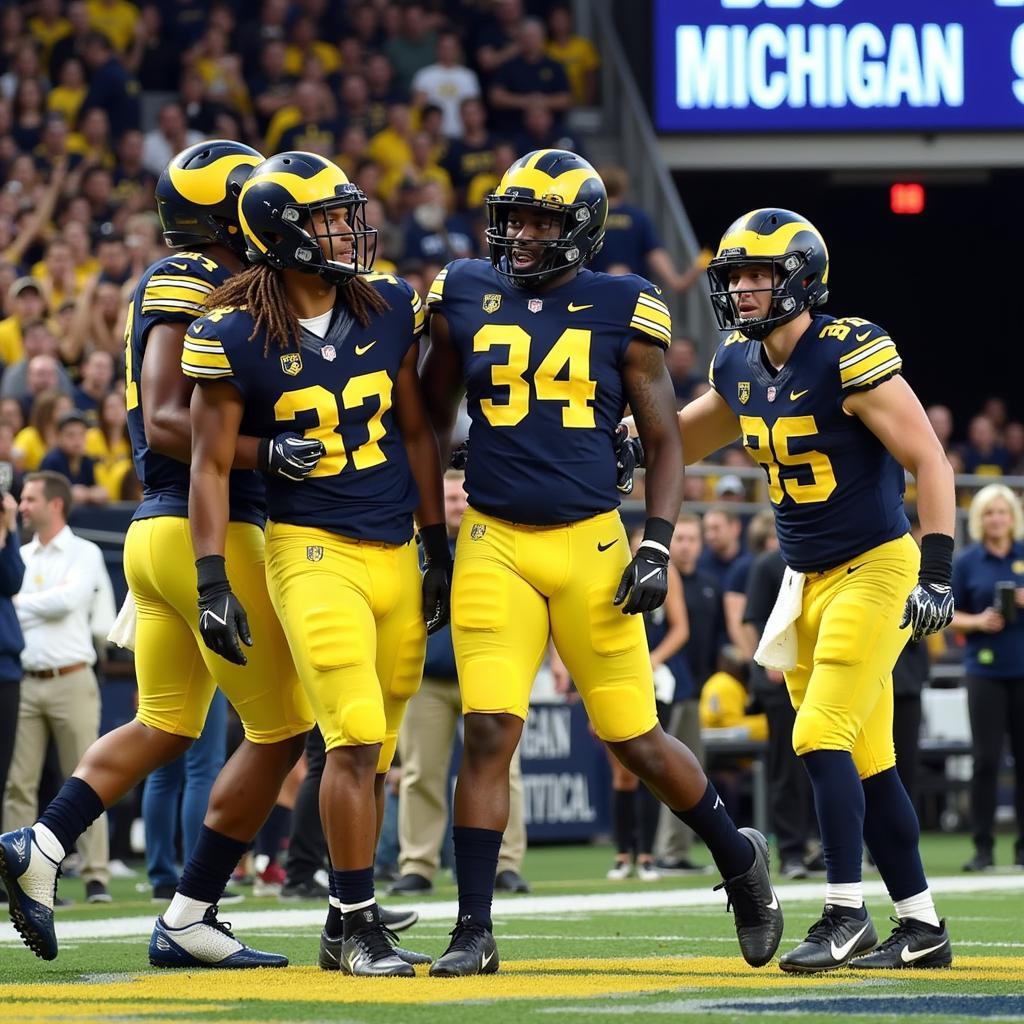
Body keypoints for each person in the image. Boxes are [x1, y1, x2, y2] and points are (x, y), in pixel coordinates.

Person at [421, 149, 782, 977]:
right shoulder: (464, 290)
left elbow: (663, 440)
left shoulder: (623, 303)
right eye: (515, 216)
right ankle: (473, 929)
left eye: (542, 219)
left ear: (579, 229)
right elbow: (431, 423)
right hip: (494, 537)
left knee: (634, 739)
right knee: (487, 733)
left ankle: (739, 861)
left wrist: (656, 541)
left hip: (591, 539)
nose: (521, 233)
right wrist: (430, 542)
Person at [0, 141, 320, 967]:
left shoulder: (224, 283)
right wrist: (270, 451)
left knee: (166, 723)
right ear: (225, 215)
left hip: (161, 530)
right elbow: (175, 417)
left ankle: (42, 842)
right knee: (284, 729)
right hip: (207, 528)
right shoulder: (187, 279)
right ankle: (190, 913)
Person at [622, 208, 956, 971]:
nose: (741, 289)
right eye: (734, 275)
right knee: (869, 760)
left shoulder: (846, 353)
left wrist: (937, 573)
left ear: (801, 279)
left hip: (876, 567)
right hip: (808, 578)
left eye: (759, 275)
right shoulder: (739, 364)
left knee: (816, 735)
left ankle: (844, 912)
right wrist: (610, 449)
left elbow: (931, 461)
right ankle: (923, 925)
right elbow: (683, 437)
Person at [184, 151, 448, 978]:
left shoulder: (386, 307)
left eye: (346, 214)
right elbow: (210, 466)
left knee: (375, 751)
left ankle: (343, 921)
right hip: (309, 548)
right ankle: (361, 924)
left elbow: (415, 430)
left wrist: (435, 540)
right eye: (328, 219)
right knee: (353, 735)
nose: (348, 230)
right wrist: (211, 578)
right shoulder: (231, 332)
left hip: (394, 547)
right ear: (282, 237)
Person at [391, 471, 529, 897]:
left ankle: (505, 863)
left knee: (504, 770)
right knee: (419, 774)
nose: (454, 505)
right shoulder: (414, 548)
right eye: (447, 497)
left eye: (459, 497)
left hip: (487, 673)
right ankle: (418, 864)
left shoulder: (492, 541)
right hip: (427, 679)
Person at [3, 471, 113, 904]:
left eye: (29, 499)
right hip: (28, 681)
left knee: (90, 777)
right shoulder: (20, 553)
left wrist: (16, 605)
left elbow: (69, 601)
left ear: (55, 504)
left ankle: (96, 876)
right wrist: (33, 607)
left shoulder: (84, 552)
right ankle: (15, 874)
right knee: (18, 784)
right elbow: (55, 603)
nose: (21, 505)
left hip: (72, 679)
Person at [950, 484, 1024, 872]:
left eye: (1003, 511)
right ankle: (983, 847)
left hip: (1022, 668)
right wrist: (978, 620)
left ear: (1012, 517)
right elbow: (948, 613)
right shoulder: (967, 561)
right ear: (980, 519)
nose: (997, 518)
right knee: (986, 760)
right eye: (990, 512)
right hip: (985, 670)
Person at [0, 491, 23, 841]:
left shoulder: (7, 534)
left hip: (5, 669)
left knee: (3, 774)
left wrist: (8, 529)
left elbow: (12, 580)